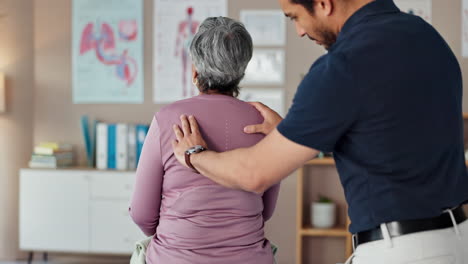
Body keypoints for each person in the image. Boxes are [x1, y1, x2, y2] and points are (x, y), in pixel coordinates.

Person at [172, 0, 468, 263]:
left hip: (402, 250)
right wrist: (293, 130)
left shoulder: (343, 66)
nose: (300, 31)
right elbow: (386, 134)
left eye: (295, 17)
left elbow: (253, 173)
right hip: (458, 238)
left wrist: (193, 154)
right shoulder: (427, 38)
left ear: (324, 3)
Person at [129, 17, 280, 264]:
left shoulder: (167, 120)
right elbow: (266, 211)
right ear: (241, 71)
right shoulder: (267, 124)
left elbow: (142, 214)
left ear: (195, 70)